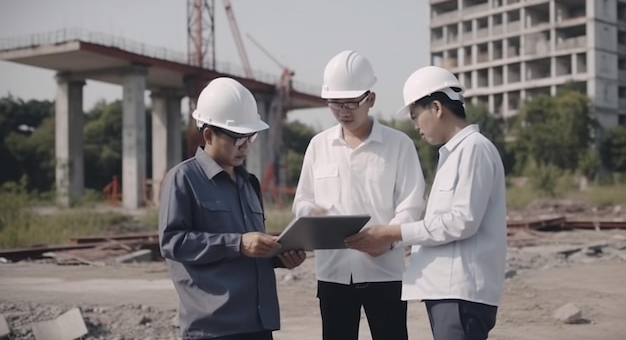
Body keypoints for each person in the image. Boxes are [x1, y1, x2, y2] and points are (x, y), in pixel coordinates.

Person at [346, 65, 507, 340]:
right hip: (449, 293)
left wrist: (392, 232)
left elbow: (461, 222)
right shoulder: (455, 154)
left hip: (460, 294)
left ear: (436, 107)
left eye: (415, 116)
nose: (416, 126)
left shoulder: (474, 150)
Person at [158, 77, 306, 340]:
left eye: (251, 137)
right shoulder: (183, 179)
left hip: (259, 322)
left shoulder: (249, 183)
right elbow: (173, 242)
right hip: (215, 327)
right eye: (238, 138)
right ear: (208, 135)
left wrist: (278, 255)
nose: (246, 146)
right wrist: (237, 244)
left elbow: (249, 248)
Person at [292, 50, 426, 340]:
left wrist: (387, 239)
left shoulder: (398, 145)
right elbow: (302, 201)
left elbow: (411, 203)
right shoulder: (318, 146)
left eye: (352, 103)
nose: (344, 111)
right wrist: (310, 214)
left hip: (384, 272)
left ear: (371, 99)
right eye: (335, 104)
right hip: (333, 273)